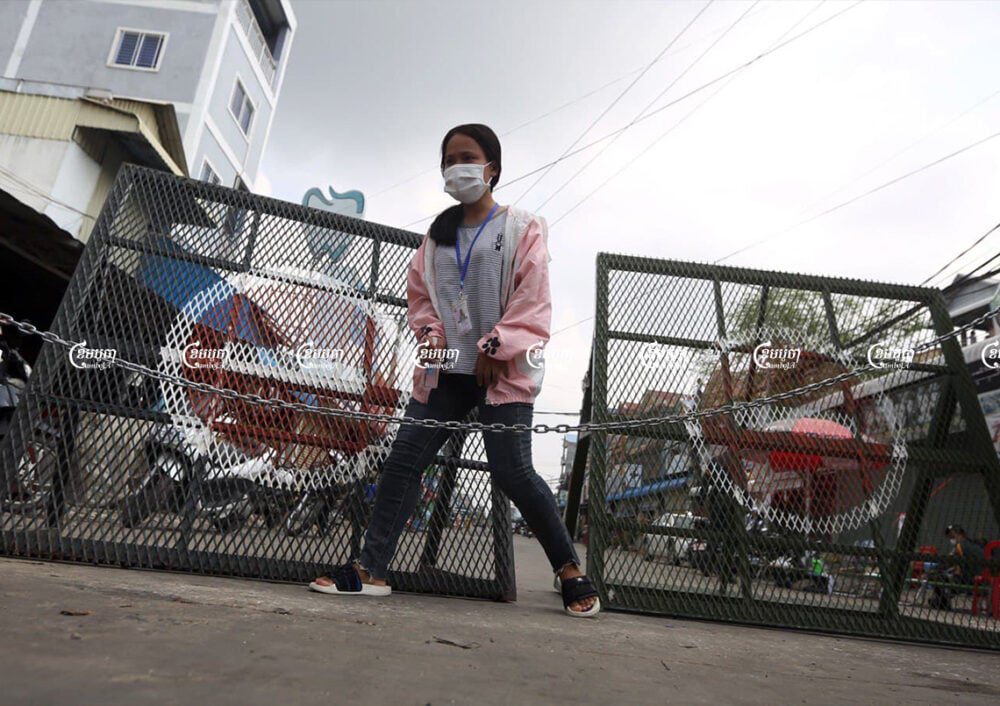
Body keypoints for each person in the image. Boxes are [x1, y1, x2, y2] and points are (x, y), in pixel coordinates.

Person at [309, 123, 600, 617]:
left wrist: (496, 346)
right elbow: (421, 300)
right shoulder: (437, 235)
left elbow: (534, 299)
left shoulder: (523, 227)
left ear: (493, 169)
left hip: (502, 371)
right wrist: (434, 338)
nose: (455, 168)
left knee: (515, 471)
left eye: (466, 157)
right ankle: (370, 570)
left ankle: (569, 569)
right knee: (403, 460)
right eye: (448, 160)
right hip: (444, 371)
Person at [928, 524, 986, 610]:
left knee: (935, 576)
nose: (951, 539)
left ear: (960, 534)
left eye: (952, 536)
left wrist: (931, 571)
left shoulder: (961, 546)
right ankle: (941, 599)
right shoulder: (974, 544)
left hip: (970, 579)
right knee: (950, 576)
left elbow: (947, 562)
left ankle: (943, 602)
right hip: (983, 579)